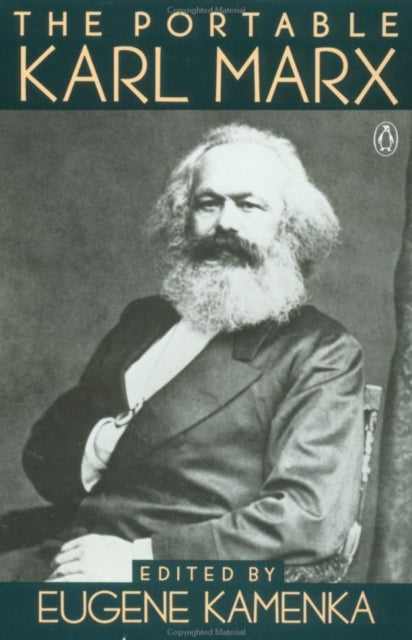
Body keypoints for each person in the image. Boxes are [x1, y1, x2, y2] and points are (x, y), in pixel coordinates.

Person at [5, 123, 364, 581]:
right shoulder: (144, 320)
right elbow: (45, 452)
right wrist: (104, 444)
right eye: (208, 203)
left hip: (179, 581)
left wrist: (143, 560)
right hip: (66, 552)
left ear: (289, 226)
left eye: (249, 205)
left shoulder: (320, 350)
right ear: (184, 217)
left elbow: (307, 517)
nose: (225, 223)